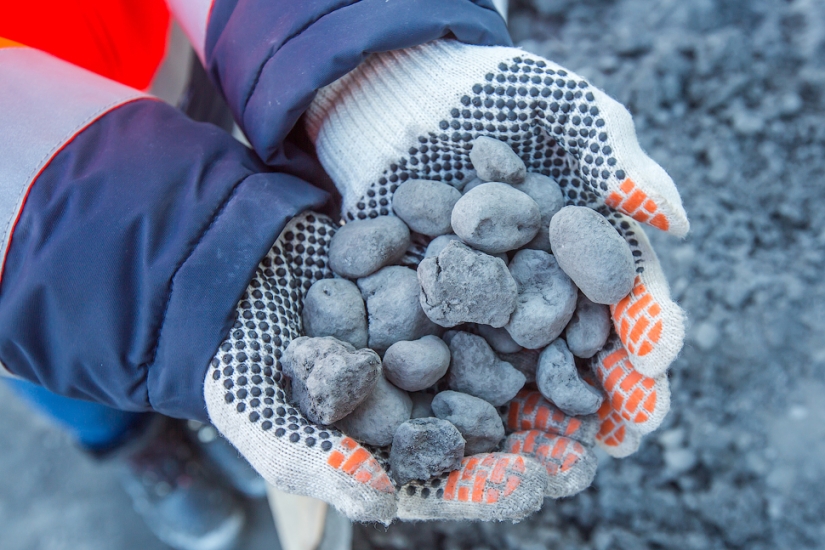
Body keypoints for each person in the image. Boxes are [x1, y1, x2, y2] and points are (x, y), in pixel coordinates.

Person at [0, 0, 688, 547]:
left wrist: (362, 47)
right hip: (20, 247)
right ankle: (132, 442)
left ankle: (180, 412)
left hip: (170, 47)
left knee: (223, 158)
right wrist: (153, 283)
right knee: (80, 368)